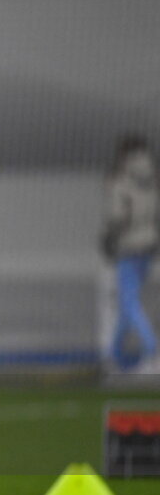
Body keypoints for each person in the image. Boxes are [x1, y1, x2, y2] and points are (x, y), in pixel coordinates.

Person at [101, 134, 159, 371]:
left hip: (127, 247)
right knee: (128, 303)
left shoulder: (121, 180)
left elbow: (116, 217)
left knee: (128, 302)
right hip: (148, 246)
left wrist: (108, 238)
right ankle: (116, 356)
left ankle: (151, 348)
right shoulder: (152, 178)